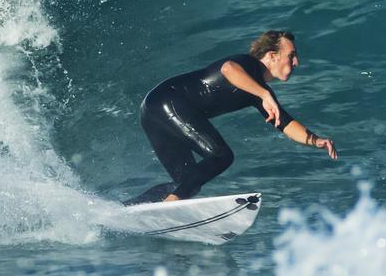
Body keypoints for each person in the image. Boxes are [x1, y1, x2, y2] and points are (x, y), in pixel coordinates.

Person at [125, 30, 338, 204]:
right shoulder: (248, 65)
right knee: (221, 156)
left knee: (187, 182)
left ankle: (126, 210)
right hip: (167, 102)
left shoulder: (259, 92)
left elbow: (284, 123)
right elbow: (228, 69)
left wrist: (316, 140)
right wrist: (263, 94)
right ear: (272, 56)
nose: (297, 62)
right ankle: (171, 203)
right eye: (291, 55)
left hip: (154, 108)